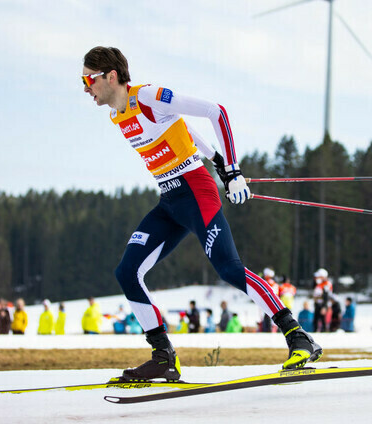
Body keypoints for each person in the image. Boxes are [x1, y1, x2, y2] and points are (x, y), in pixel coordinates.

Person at [81, 46, 321, 381]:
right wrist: (217, 160)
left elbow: (215, 111)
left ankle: (298, 336)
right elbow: (180, 128)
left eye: (88, 79)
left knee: (229, 269)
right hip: (169, 200)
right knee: (127, 271)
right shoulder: (117, 115)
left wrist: (232, 170)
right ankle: (163, 356)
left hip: (195, 190)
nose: (85, 88)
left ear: (112, 76)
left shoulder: (148, 96)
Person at [312, 268, 332, 332]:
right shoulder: (319, 283)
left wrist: (324, 307)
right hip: (317, 304)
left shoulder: (326, 284)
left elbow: (326, 296)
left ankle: (324, 332)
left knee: (323, 320)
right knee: (315, 320)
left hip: (323, 304)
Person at [261, 268, 279, 332]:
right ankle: (271, 328)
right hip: (274, 301)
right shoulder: (275, 283)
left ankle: (268, 329)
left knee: (268, 316)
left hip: (269, 301)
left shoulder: (268, 282)